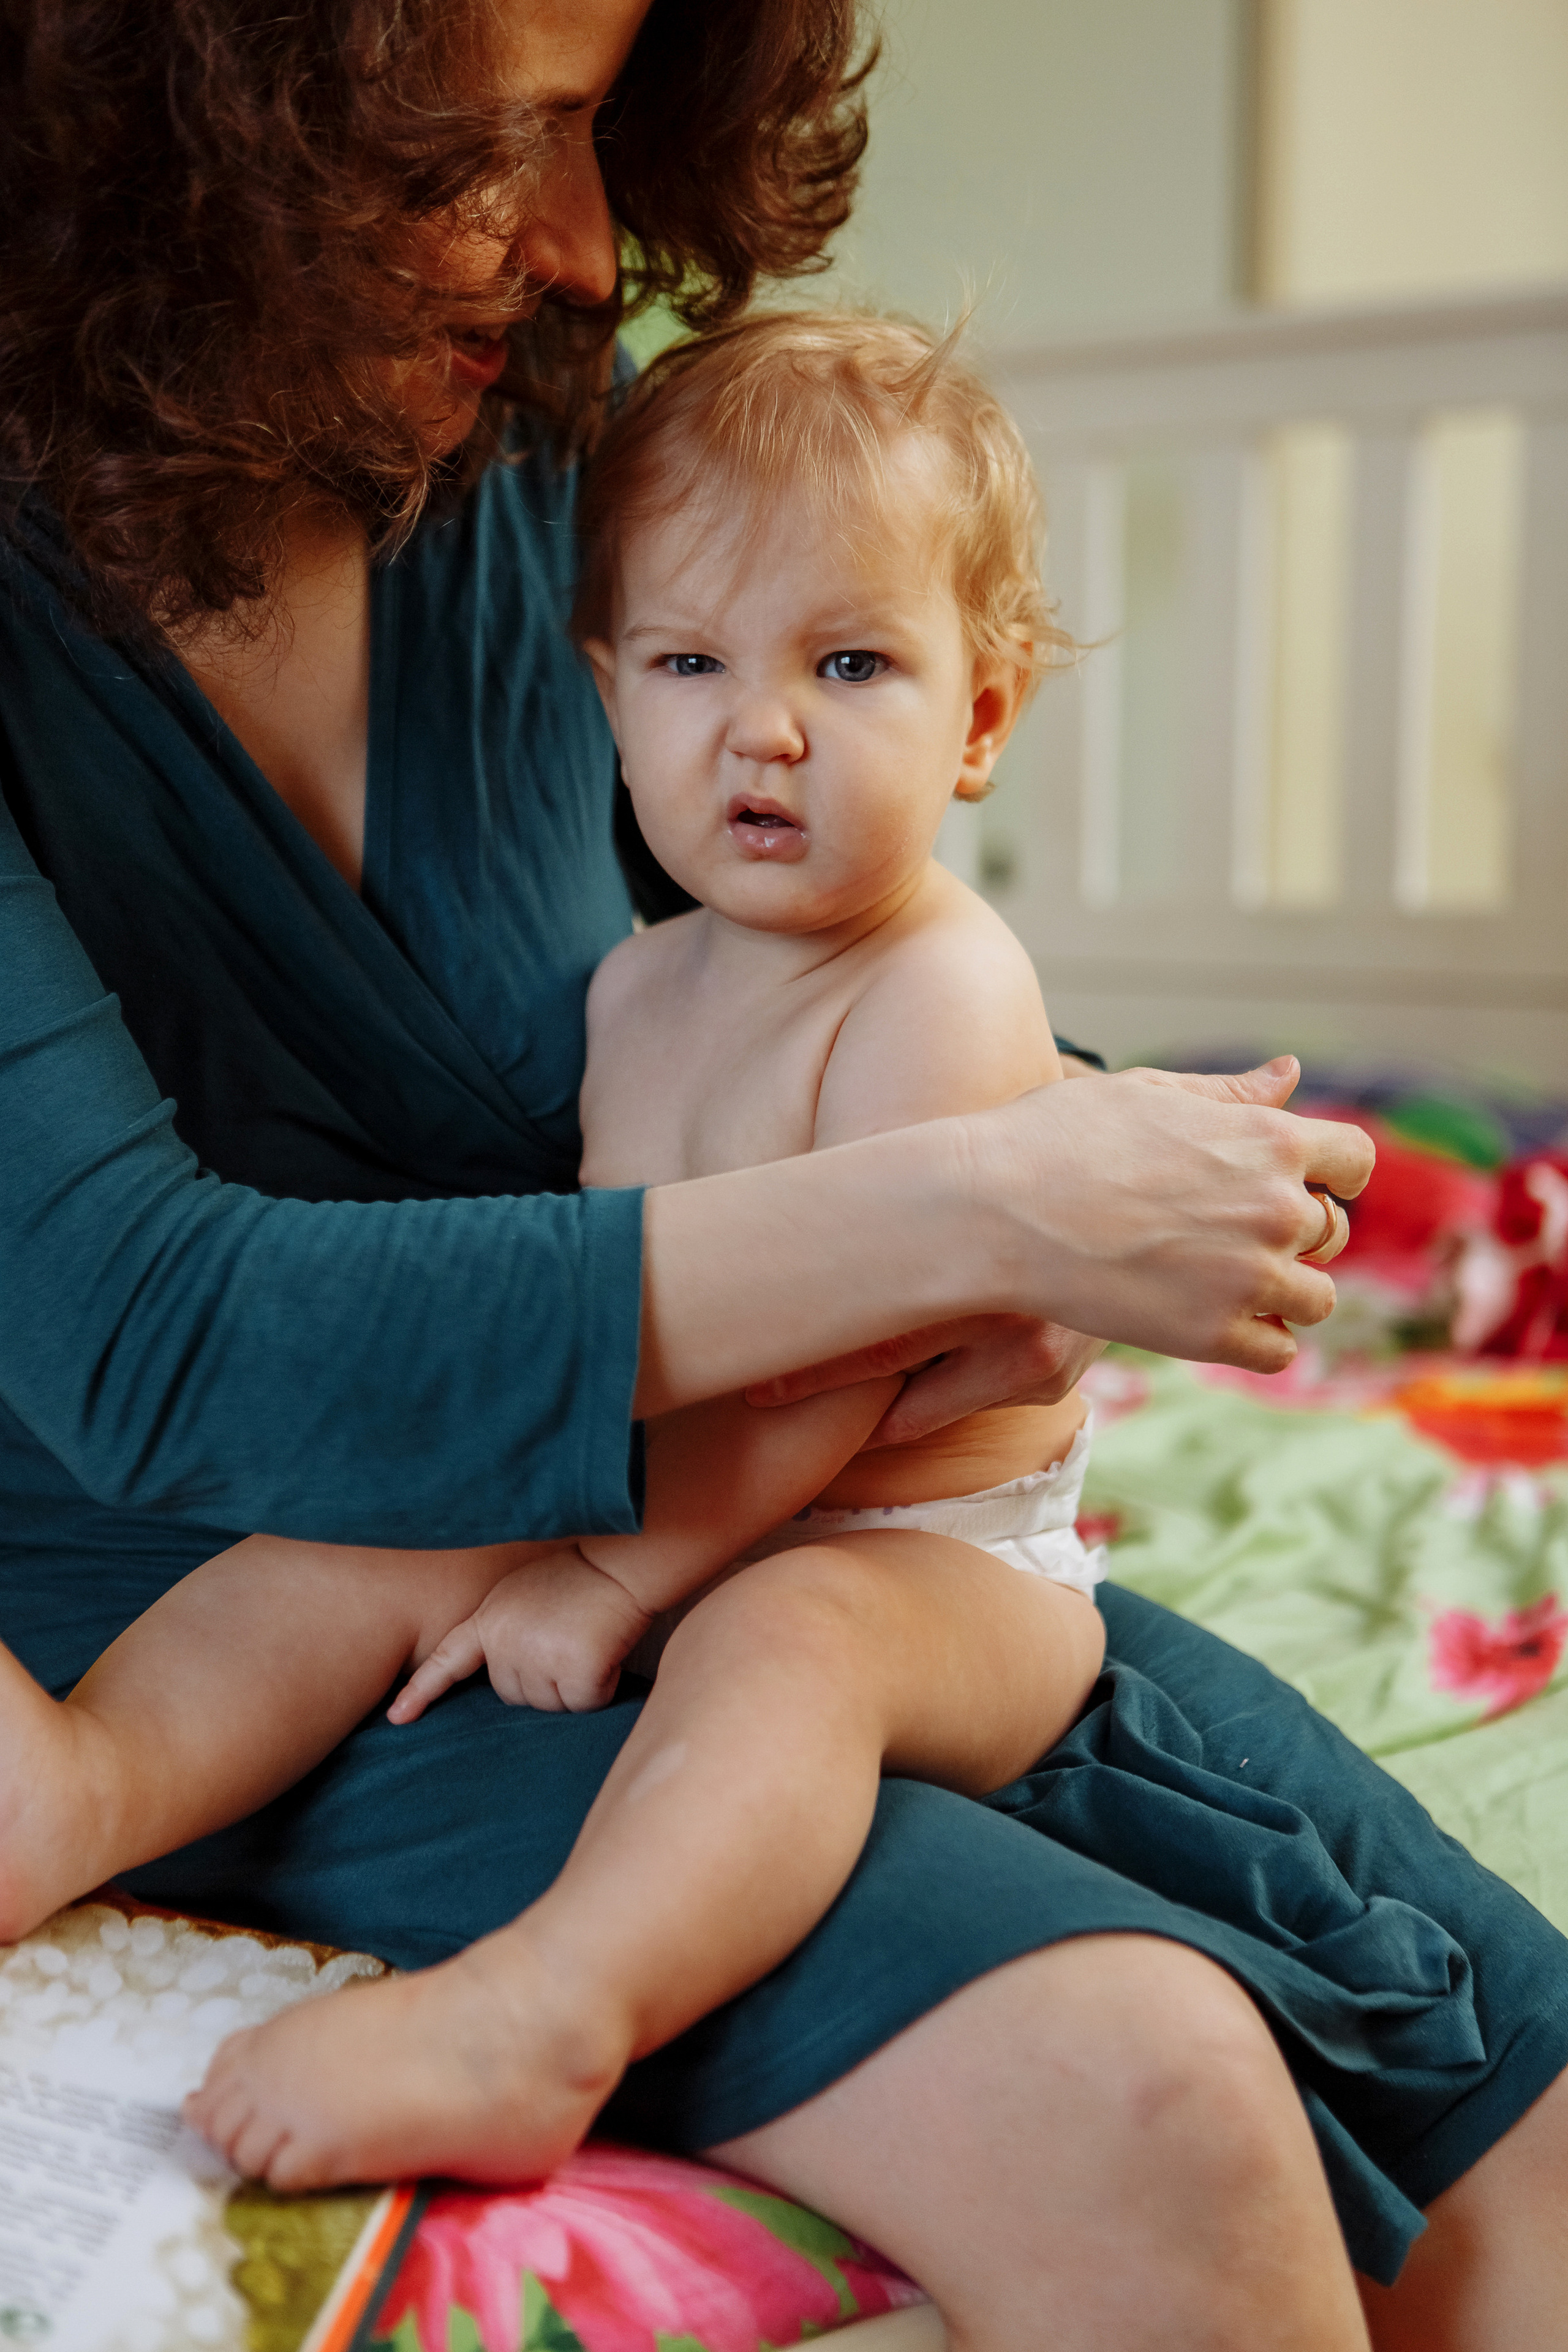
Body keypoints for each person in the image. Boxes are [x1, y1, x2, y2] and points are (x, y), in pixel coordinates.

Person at [1, 1, 1564, 2345]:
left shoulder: (529, 450)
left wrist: (1055, 1158)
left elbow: (816, 972)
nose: (584, 242)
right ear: (181, 126)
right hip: (240, 1578)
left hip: (716, 1493)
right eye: (478, 139)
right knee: (1156, 2103)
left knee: (1518, 2100)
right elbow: (140, 1325)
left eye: (610, 125)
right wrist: (987, 1212)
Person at [1, 310, 1122, 2185]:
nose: (761, 728)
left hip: (929, 1555)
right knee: (368, 1530)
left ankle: (548, 2016)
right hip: (665, 1478)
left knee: (795, 1643)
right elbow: (615, 1309)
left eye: (851, 665)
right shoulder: (638, 987)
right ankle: (92, 1782)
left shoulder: (940, 990)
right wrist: (516, 1520)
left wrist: (605, 1583)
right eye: (691, 663)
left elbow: (829, 1398)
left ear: (980, 716)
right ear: (609, 691)